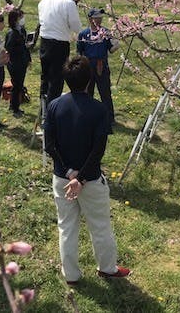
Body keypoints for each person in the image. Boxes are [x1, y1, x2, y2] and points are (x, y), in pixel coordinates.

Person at [45, 55, 130, 284]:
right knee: (100, 225)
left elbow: (49, 145)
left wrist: (69, 173)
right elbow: (97, 150)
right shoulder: (98, 110)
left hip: (62, 178)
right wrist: (80, 177)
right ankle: (107, 268)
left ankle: (71, 274)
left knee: (67, 227)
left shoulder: (54, 106)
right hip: (90, 179)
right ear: (89, 79)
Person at [38, 0, 82, 104]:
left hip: (44, 42)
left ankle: (43, 109)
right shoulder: (68, 3)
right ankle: (52, 114)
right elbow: (76, 27)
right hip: (59, 45)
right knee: (56, 81)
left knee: (45, 78)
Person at [77, 8, 119, 124]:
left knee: (105, 92)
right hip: (88, 65)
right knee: (87, 92)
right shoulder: (83, 34)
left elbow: (111, 49)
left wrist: (116, 44)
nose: (99, 20)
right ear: (90, 19)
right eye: (96, 18)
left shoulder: (106, 32)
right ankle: (87, 116)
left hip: (101, 65)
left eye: (100, 18)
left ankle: (109, 118)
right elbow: (79, 51)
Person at [4, 8, 31, 118]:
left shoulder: (22, 31)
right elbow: (8, 48)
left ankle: (14, 105)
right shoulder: (12, 33)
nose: (22, 19)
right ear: (15, 19)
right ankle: (15, 108)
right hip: (15, 63)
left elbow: (25, 46)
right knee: (17, 85)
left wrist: (28, 59)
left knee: (19, 84)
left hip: (22, 61)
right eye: (20, 17)